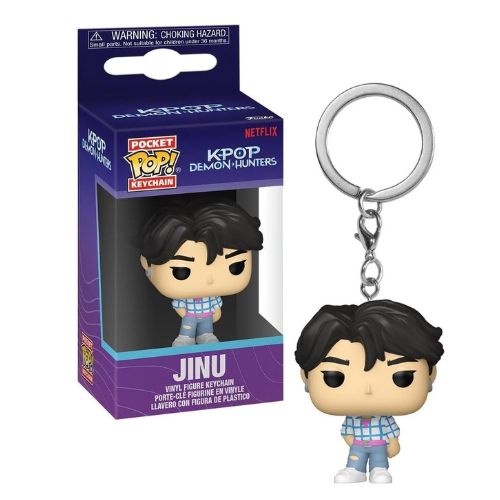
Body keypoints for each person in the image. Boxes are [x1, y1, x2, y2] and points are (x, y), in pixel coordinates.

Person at [295, 300, 443, 484]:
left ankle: (379, 470)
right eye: (334, 377)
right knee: (354, 462)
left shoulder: (383, 419)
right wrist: (352, 442)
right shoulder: (352, 419)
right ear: (306, 376)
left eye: (402, 377)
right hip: (358, 447)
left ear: (430, 374)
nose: (368, 390)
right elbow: (346, 432)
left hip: (379, 446)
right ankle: (354, 470)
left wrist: (394, 444)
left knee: (379, 464)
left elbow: (392, 433)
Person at [135, 200, 263, 346]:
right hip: (189, 316)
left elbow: (216, 306)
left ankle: (206, 337)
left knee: (207, 331)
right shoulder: (185, 298)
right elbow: (179, 306)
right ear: (146, 263)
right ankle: (185, 339)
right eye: (181, 272)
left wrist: (216, 313)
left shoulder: (212, 297)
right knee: (187, 331)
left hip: (207, 316)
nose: (209, 280)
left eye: (236, 267)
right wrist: (184, 313)